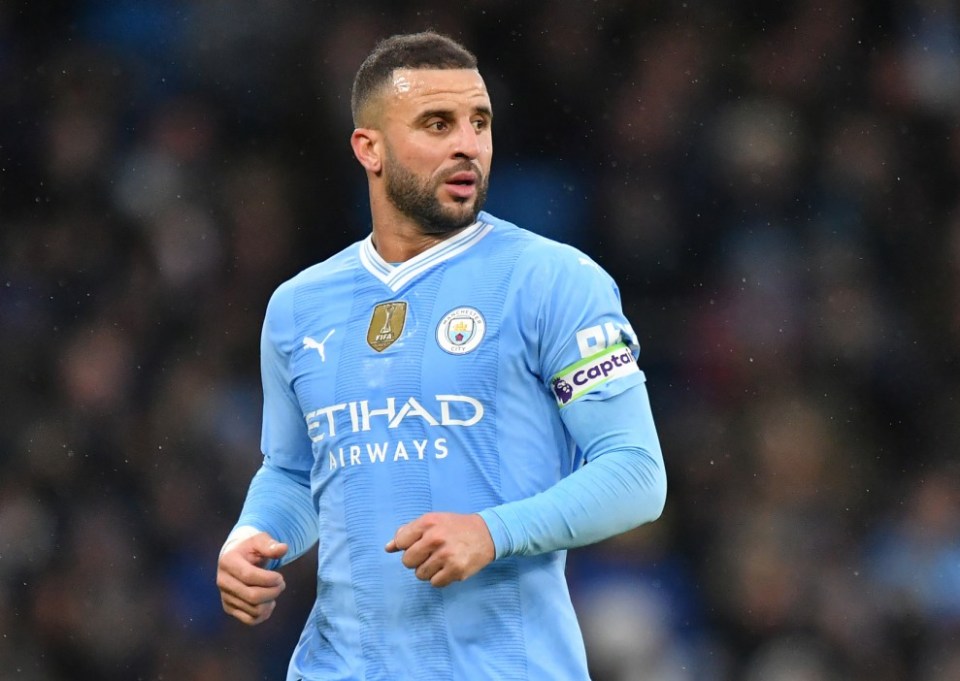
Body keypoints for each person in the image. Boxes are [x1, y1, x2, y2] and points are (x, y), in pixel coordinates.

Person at [216, 31, 667, 681]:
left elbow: (634, 474)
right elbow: (295, 471)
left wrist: (492, 531)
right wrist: (250, 535)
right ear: (368, 147)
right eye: (437, 123)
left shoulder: (554, 281)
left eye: (478, 122)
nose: (467, 144)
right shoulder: (298, 307)